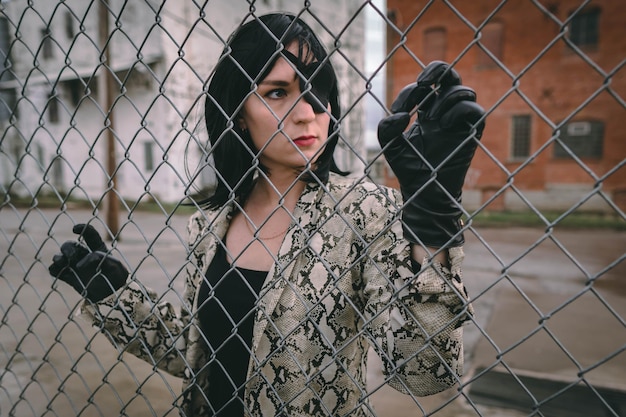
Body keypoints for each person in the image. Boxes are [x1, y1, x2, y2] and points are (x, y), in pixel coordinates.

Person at [48, 13, 485, 417]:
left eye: (317, 90)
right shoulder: (209, 223)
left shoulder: (365, 211)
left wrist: (432, 221)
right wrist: (114, 296)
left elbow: (425, 372)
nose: (308, 112)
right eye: (278, 92)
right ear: (238, 114)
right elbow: (199, 352)